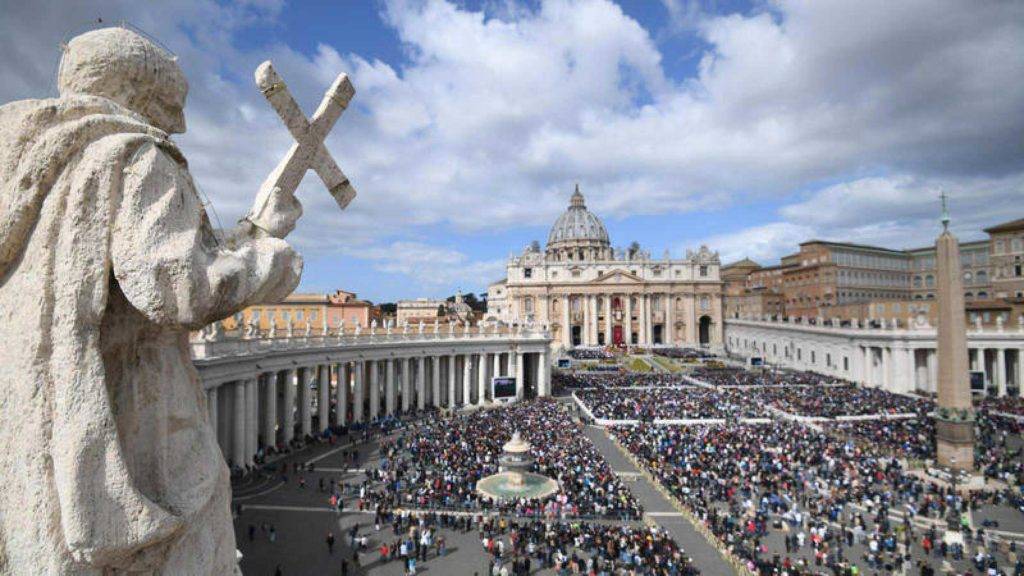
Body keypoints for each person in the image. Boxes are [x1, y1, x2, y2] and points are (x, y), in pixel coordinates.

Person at [0, 26, 304, 575]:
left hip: (29, 423)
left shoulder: (23, 166)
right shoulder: (132, 155)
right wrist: (272, 258)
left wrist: (252, 228)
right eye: (171, 106)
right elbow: (181, 288)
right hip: (130, 418)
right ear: (141, 94)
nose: (180, 125)